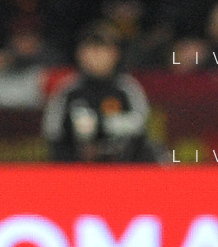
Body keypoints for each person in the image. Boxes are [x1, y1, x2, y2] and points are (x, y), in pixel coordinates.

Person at [42, 22, 157, 163]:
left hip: (122, 168)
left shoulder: (128, 88)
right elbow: (52, 131)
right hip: (77, 168)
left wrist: (99, 125)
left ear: (115, 54)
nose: (96, 56)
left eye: (102, 49)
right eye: (90, 49)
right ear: (80, 54)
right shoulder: (67, 90)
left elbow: (140, 125)